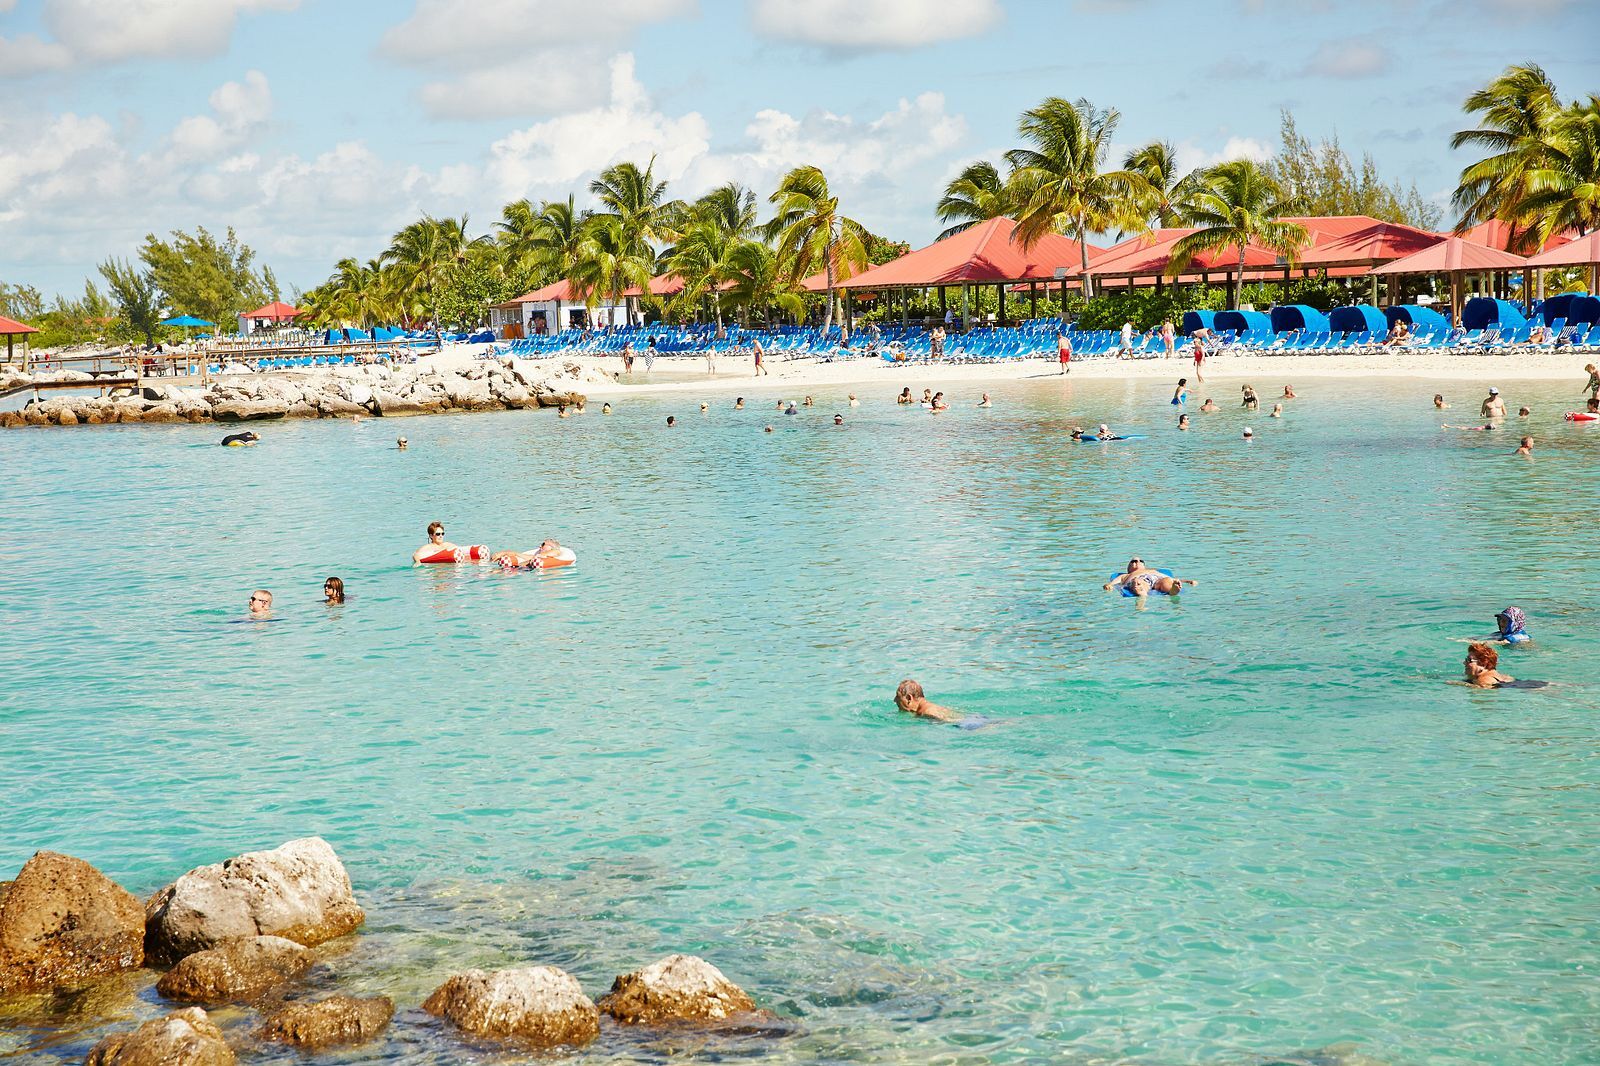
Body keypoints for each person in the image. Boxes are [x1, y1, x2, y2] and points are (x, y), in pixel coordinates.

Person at [413, 521, 488, 564]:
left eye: (442, 534)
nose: (441, 536)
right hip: (436, 569)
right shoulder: (428, 547)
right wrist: (418, 563)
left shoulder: (447, 545)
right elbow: (415, 555)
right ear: (431, 536)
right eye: (438, 534)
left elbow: (460, 551)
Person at [894, 679, 960, 723]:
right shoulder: (924, 709)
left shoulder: (928, 713)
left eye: (898, 696)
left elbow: (955, 722)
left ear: (909, 698)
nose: (895, 700)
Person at [492, 539, 570, 569]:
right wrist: (507, 553)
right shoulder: (538, 557)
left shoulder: (556, 553)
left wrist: (542, 555)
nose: (540, 546)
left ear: (551, 547)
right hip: (520, 570)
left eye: (543, 544)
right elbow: (526, 557)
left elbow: (556, 552)